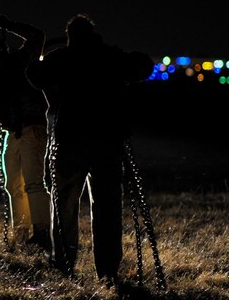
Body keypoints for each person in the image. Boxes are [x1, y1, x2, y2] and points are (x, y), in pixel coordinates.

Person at [26, 14, 154, 286]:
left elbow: (34, 76)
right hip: (108, 140)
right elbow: (143, 67)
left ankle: (64, 263)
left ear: (70, 34)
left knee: (63, 205)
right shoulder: (110, 56)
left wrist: (39, 55)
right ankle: (107, 271)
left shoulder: (62, 58)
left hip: (70, 139)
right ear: (94, 34)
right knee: (107, 206)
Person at [0, 14, 51, 251]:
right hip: (13, 133)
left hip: (31, 128)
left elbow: (37, 35)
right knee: (14, 186)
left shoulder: (22, 60)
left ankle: (42, 234)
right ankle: (22, 232)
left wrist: (9, 26)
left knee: (33, 183)